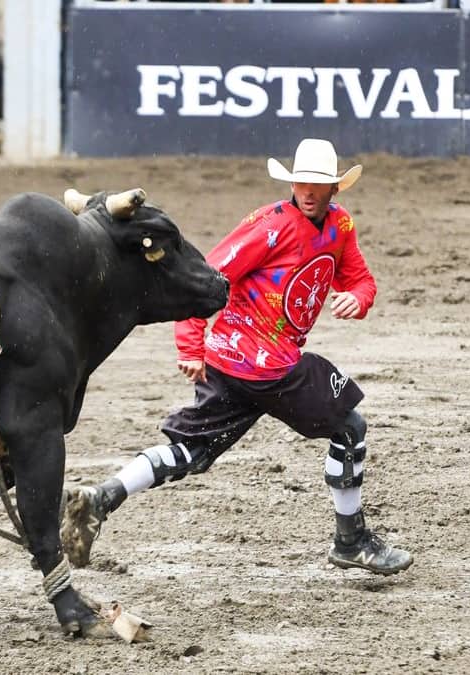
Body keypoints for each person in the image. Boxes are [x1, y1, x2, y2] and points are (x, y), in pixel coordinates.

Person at [61, 138, 413, 576]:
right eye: (302, 181)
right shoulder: (271, 225)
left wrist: (357, 300)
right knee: (350, 428)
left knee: (192, 450)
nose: (307, 190)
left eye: (317, 185)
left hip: (230, 364)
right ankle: (351, 540)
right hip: (269, 367)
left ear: (333, 190)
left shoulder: (339, 228)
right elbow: (207, 275)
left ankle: (103, 497)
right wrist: (190, 344)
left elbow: (360, 280)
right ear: (293, 182)